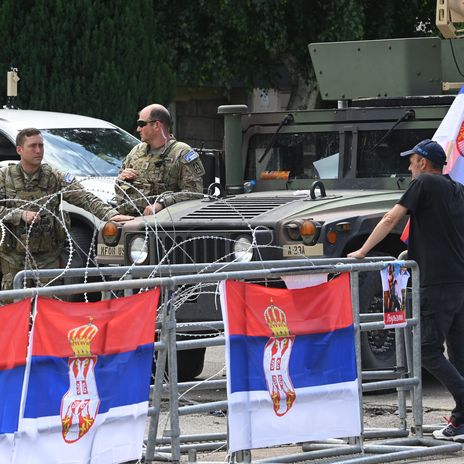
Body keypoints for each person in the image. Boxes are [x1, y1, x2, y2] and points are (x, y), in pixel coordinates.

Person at [348, 139, 464, 441]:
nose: (408, 166)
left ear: (424, 163)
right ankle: (461, 420)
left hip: (436, 282)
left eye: (411, 161)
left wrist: (362, 251)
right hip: (458, 281)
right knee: (459, 352)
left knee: (426, 349)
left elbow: (390, 218)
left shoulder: (423, 183)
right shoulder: (457, 189)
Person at [0, 128, 133, 290]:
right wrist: (19, 215)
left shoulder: (54, 176)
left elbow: (84, 198)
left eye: (41, 146)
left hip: (47, 257)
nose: (38, 150)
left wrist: (110, 214)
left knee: (48, 307)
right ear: (19, 150)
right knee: (13, 308)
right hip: (14, 258)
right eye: (32, 146)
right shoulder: (4, 177)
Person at [115, 103, 205, 216]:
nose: (138, 129)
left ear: (156, 125)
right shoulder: (136, 152)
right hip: (130, 220)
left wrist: (162, 204)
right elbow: (119, 188)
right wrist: (122, 178)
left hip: (164, 223)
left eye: (141, 124)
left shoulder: (182, 152)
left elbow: (195, 193)